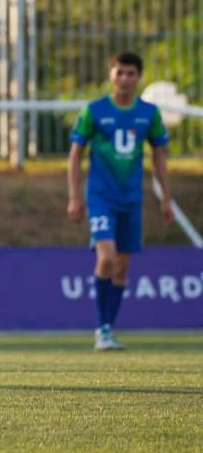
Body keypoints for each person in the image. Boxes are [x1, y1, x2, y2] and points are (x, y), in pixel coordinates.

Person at [68, 50, 173, 351]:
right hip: (101, 196)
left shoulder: (149, 114)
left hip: (131, 199)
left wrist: (167, 199)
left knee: (122, 268)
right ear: (110, 75)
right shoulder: (94, 111)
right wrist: (75, 197)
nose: (125, 78)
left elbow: (159, 157)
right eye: (120, 72)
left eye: (131, 73)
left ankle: (108, 329)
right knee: (107, 257)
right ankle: (101, 330)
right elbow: (75, 154)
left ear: (139, 78)